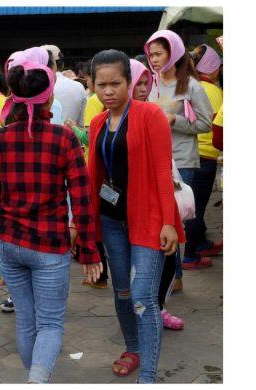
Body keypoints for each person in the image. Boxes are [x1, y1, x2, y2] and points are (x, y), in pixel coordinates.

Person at [0, 58, 102, 384]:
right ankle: (37, 381)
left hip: (10, 242)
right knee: (49, 323)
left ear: (13, 98)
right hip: (50, 245)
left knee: (26, 318)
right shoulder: (64, 139)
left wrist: (2, 228)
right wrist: (90, 252)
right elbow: (81, 199)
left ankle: (35, 378)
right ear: (50, 98)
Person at [87, 49, 185, 383]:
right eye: (101, 85)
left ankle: (150, 375)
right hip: (111, 219)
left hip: (149, 219)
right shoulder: (99, 121)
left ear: (129, 82)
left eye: (115, 83)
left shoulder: (150, 115)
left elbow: (161, 170)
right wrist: (86, 226)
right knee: (122, 292)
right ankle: (134, 349)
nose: (108, 91)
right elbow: (94, 173)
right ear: (93, 85)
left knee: (143, 296)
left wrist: (169, 221)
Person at [145, 30, 214, 275]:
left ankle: (176, 276)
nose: (153, 59)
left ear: (173, 53)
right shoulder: (149, 84)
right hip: (154, 160)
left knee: (176, 218)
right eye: (150, 54)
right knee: (161, 219)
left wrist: (176, 120)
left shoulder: (192, 86)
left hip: (182, 160)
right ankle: (171, 276)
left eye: (158, 54)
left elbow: (206, 123)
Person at [129, 58, 185, 331]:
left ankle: (156, 308)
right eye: (136, 83)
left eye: (145, 82)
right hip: (128, 205)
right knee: (136, 270)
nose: (141, 88)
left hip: (158, 197)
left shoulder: (153, 113)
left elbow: (163, 161)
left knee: (167, 258)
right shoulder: (111, 117)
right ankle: (142, 312)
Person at [185, 44, 224, 263]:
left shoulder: (191, 86)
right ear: (213, 68)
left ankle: (200, 244)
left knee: (194, 204)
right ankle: (190, 256)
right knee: (197, 207)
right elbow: (218, 128)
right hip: (207, 155)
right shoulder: (214, 92)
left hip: (190, 154)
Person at [42, 44, 87, 127]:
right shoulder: (78, 87)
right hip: (72, 137)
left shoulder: (34, 88)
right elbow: (82, 124)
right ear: (62, 64)